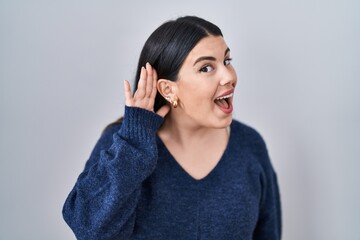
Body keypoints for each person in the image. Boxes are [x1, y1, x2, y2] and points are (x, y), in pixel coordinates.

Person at [62, 16, 281, 240]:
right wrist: (135, 143)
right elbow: (88, 229)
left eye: (226, 61)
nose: (229, 76)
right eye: (206, 68)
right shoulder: (124, 145)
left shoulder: (250, 145)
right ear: (168, 90)